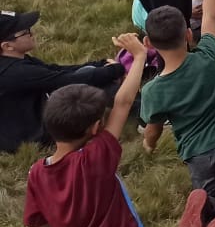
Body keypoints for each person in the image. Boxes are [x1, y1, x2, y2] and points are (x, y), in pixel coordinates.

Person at [24, 33, 214, 227]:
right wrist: (139, 56)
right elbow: (124, 102)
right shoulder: (96, 158)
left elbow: (33, 226)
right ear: (95, 128)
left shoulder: (37, 172)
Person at [139, 0, 215, 227]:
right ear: (188, 36)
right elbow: (210, 17)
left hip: (196, 151)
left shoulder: (153, 90)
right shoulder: (209, 56)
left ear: (148, 43)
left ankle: (214, 206)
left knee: (208, 189)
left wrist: (148, 145)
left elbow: (154, 128)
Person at [0, 9, 124, 154]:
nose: (32, 33)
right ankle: (143, 113)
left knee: (89, 75)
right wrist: (114, 70)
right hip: (33, 136)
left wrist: (100, 65)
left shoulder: (15, 60)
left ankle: (139, 107)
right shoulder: (14, 72)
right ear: (7, 46)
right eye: (25, 31)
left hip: (37, 111)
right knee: (90, 89)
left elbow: (55, 70)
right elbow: (64, 80)